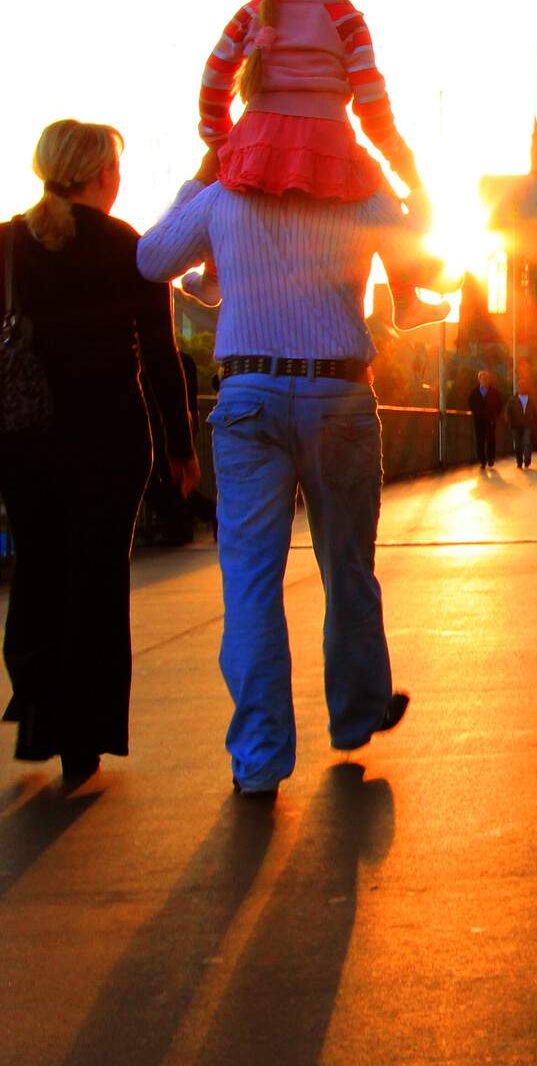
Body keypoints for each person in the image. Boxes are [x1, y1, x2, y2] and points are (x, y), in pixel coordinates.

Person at [138, 155, 428, 799]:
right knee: (347, 565)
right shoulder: (358, 185)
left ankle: (260, 759)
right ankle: (355, 715)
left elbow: (152, 258)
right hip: (339, 393)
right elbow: (423, 268)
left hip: (247, 394)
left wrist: (201, 174)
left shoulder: (224, 196)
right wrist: (412, 184)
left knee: (250, 582)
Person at [0, 121, 199, 788]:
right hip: (111, 439)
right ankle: (82, 735)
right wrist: (180, 446)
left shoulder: (6, 245)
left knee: (38, 568)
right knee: (98, 580)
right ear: (99, 176)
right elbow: (164, 361)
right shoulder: (131, 249)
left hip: (25, 439)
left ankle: (36, 702)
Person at [189, 0, 444, 332]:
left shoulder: (253, 10)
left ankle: (213, 279)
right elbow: (372, 106)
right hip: (328, 146)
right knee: (381, 202)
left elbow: (214, 79)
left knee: (224, 187)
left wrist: (222, 139)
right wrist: (409, 173)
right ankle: (405, 298)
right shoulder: (345, 17)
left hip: (255, 143)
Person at [467, 369, 502, 470]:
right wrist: (475, 412)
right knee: (480, 440)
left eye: (486, 378)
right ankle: (482, 460)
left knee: (491, 439)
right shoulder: (474, 392)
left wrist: (496, 414)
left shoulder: (494, 392)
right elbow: (470, 403)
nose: (484, 380)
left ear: (488, 380)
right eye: (482, 378)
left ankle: (491, 458)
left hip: (490, 419)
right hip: (478, 420)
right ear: (479, 380)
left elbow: (499, 404)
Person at [505, 382, 536, 468]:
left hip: (527, 424)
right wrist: (509, 422)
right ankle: (519, 461)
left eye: (524, 386)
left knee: (527, 442)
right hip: (516, 425)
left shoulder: (530, 399)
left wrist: (536, 422)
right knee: (517, 444)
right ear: (518, 388)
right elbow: (508, 412)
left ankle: (527, 460)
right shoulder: (512, 400)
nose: (522, 388)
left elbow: (535, 411)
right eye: (521, 386)